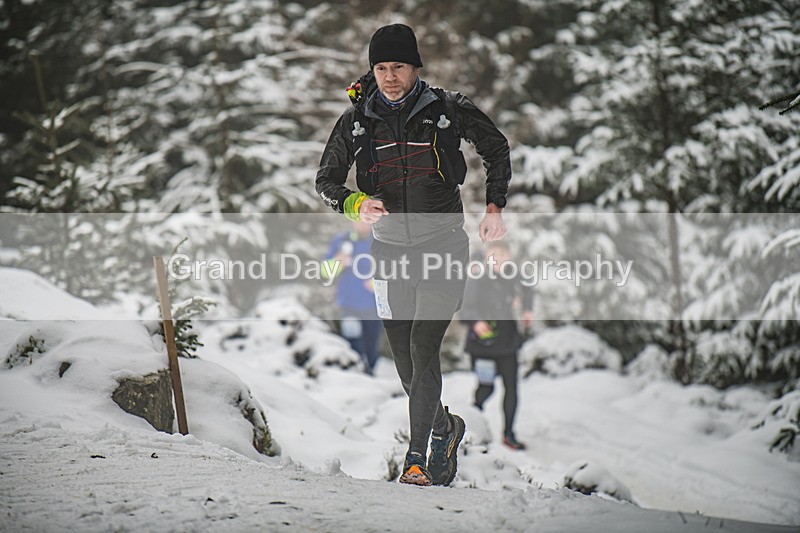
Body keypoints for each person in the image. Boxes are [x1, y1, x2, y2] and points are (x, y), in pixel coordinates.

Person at [316, 23, 512, 486]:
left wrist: (494, 205)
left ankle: (416, 458)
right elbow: (326, 180)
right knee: (407, 368)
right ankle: (446, 428)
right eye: (381, 67)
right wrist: (354, 203)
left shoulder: (447, 109)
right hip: (388, 253)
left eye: (398, 66)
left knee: (425, 350)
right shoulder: (357, 121)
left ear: (415, 67)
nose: (389, 76)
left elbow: (496, 147)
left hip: (443, 246)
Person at [460, 241, 533, 451]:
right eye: (494, 254)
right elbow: (465, 309)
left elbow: (528, 288)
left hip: (508, 342)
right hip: (483, 346)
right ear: (486, 257)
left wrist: (527, 309)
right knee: (486, 388)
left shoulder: (513, 276)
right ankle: (471, 430)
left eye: (503, 254)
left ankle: (509, 434)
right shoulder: (476, 278)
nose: (499, 258)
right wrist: (476, 322)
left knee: (512, 388)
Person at [323, 221, 382, 374]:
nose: (363, 225)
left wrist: (378, 282)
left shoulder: (380, 241)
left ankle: (370, 375)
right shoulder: (342, 241)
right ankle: (356, 375)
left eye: (366, 222)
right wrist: (337, 262)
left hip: (374, 305)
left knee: (371, 349)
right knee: (353, 344)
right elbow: (325, 272)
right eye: (359, 221)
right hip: (348, 305)